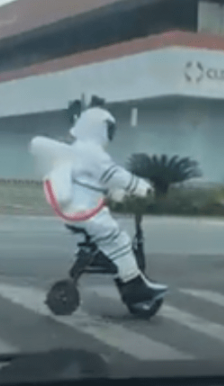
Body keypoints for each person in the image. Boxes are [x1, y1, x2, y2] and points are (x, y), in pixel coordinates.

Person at [29, 100, 167, 307]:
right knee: (118, 239)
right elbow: (112, 174)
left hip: (79, 208)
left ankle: (122, 273)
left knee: (113, 240)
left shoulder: (81, 149)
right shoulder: (90, 151)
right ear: (98, 128)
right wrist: (140, 187)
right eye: (108, 129)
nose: (110, 134)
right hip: (85, 211)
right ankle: (134, 286)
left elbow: (99, 179)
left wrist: (118, 193)